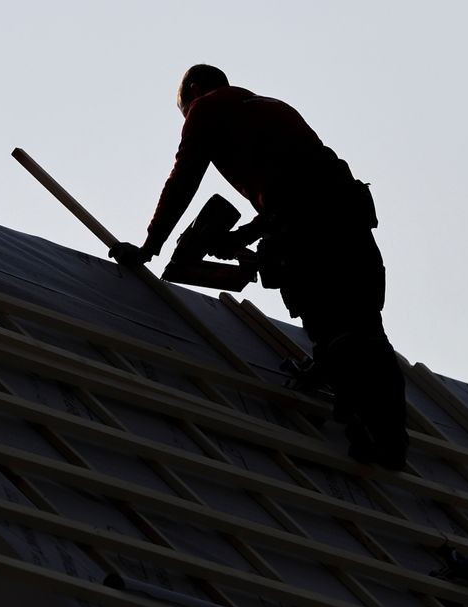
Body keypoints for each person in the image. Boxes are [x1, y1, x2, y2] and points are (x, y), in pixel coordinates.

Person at [109, 64, 408, 469]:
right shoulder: (272, 108)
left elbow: (185, 176)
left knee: (336, 328)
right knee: (364, 324)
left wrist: (150, 245)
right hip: (348, 222)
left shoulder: (206, 107)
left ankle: (370, 442)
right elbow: (298, 188)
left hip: (310, 231)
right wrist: (243, 238)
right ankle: (391, 437)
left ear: (195, 90)